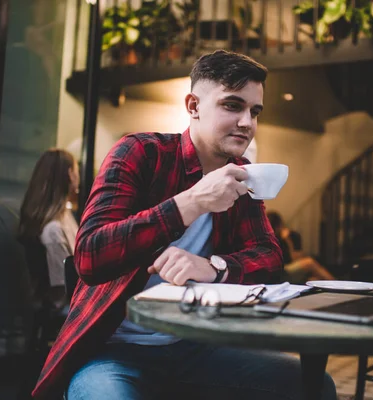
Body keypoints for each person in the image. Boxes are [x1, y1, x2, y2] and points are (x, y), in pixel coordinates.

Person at [31, 50, 337, 400]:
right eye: (232, 106)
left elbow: (268, 256)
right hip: (113, 350)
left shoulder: (243, 174)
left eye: (254, 111)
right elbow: (90, 255)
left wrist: (214, 267)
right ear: (193, 106)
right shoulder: (139, 153)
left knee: (315, 385)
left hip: (197, 346)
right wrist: (190, 203)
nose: (247, 122)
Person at [18, 148, 80, 310]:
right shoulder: (54, 229)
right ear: (70, 175)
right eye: (77, 171)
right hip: (67, 307)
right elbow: (62, 287)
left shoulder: (64, 216)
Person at [267, 211, 336, 283]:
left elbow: (297, 258)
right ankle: (335, 284)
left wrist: (288, 240)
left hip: (290, 268)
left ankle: (334, 285)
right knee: (309, 262)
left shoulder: (292, 235)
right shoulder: (270, 240)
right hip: (282, 271)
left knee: (313, 278)